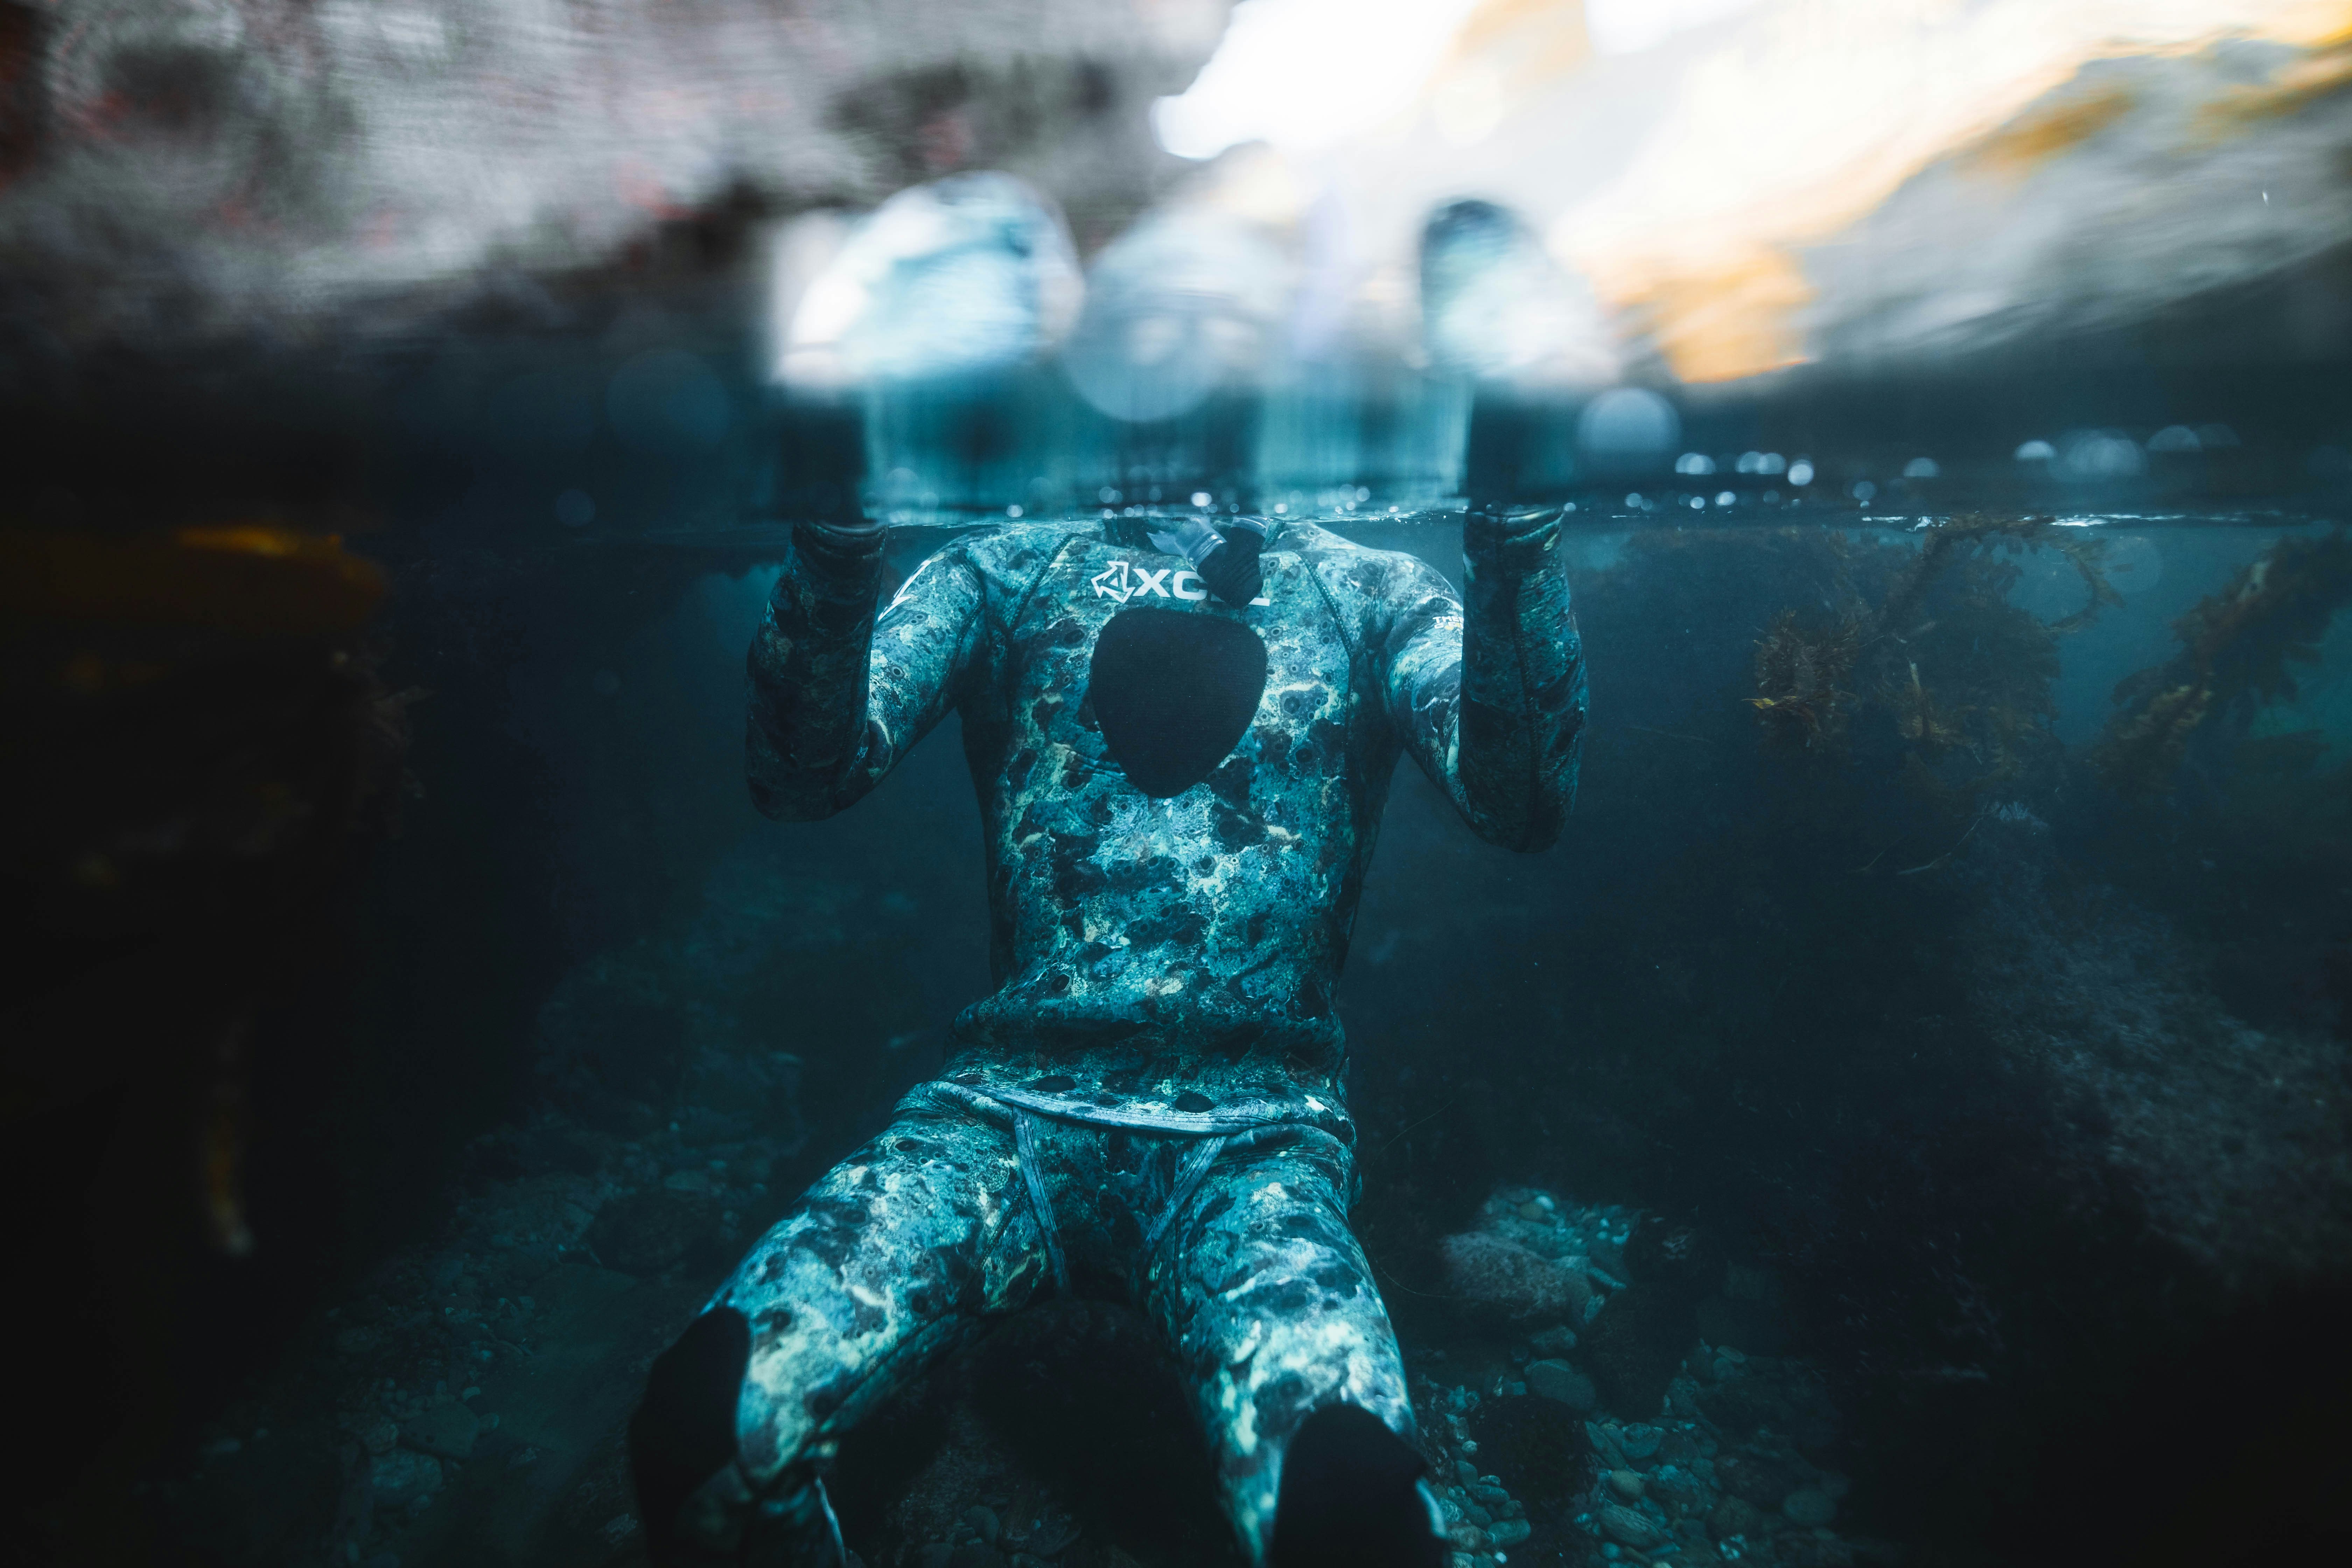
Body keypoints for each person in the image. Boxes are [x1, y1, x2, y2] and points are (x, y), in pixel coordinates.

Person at [630, 433, 1586, 1567]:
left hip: (1254, 1149)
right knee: (705, 1437)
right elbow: (799, 778)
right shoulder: (1011, 566)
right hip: (994, 1126)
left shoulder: (1364, 587)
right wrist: (837, 542)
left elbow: (1518, 803)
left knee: (1353, 1518)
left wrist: (1518, 547)